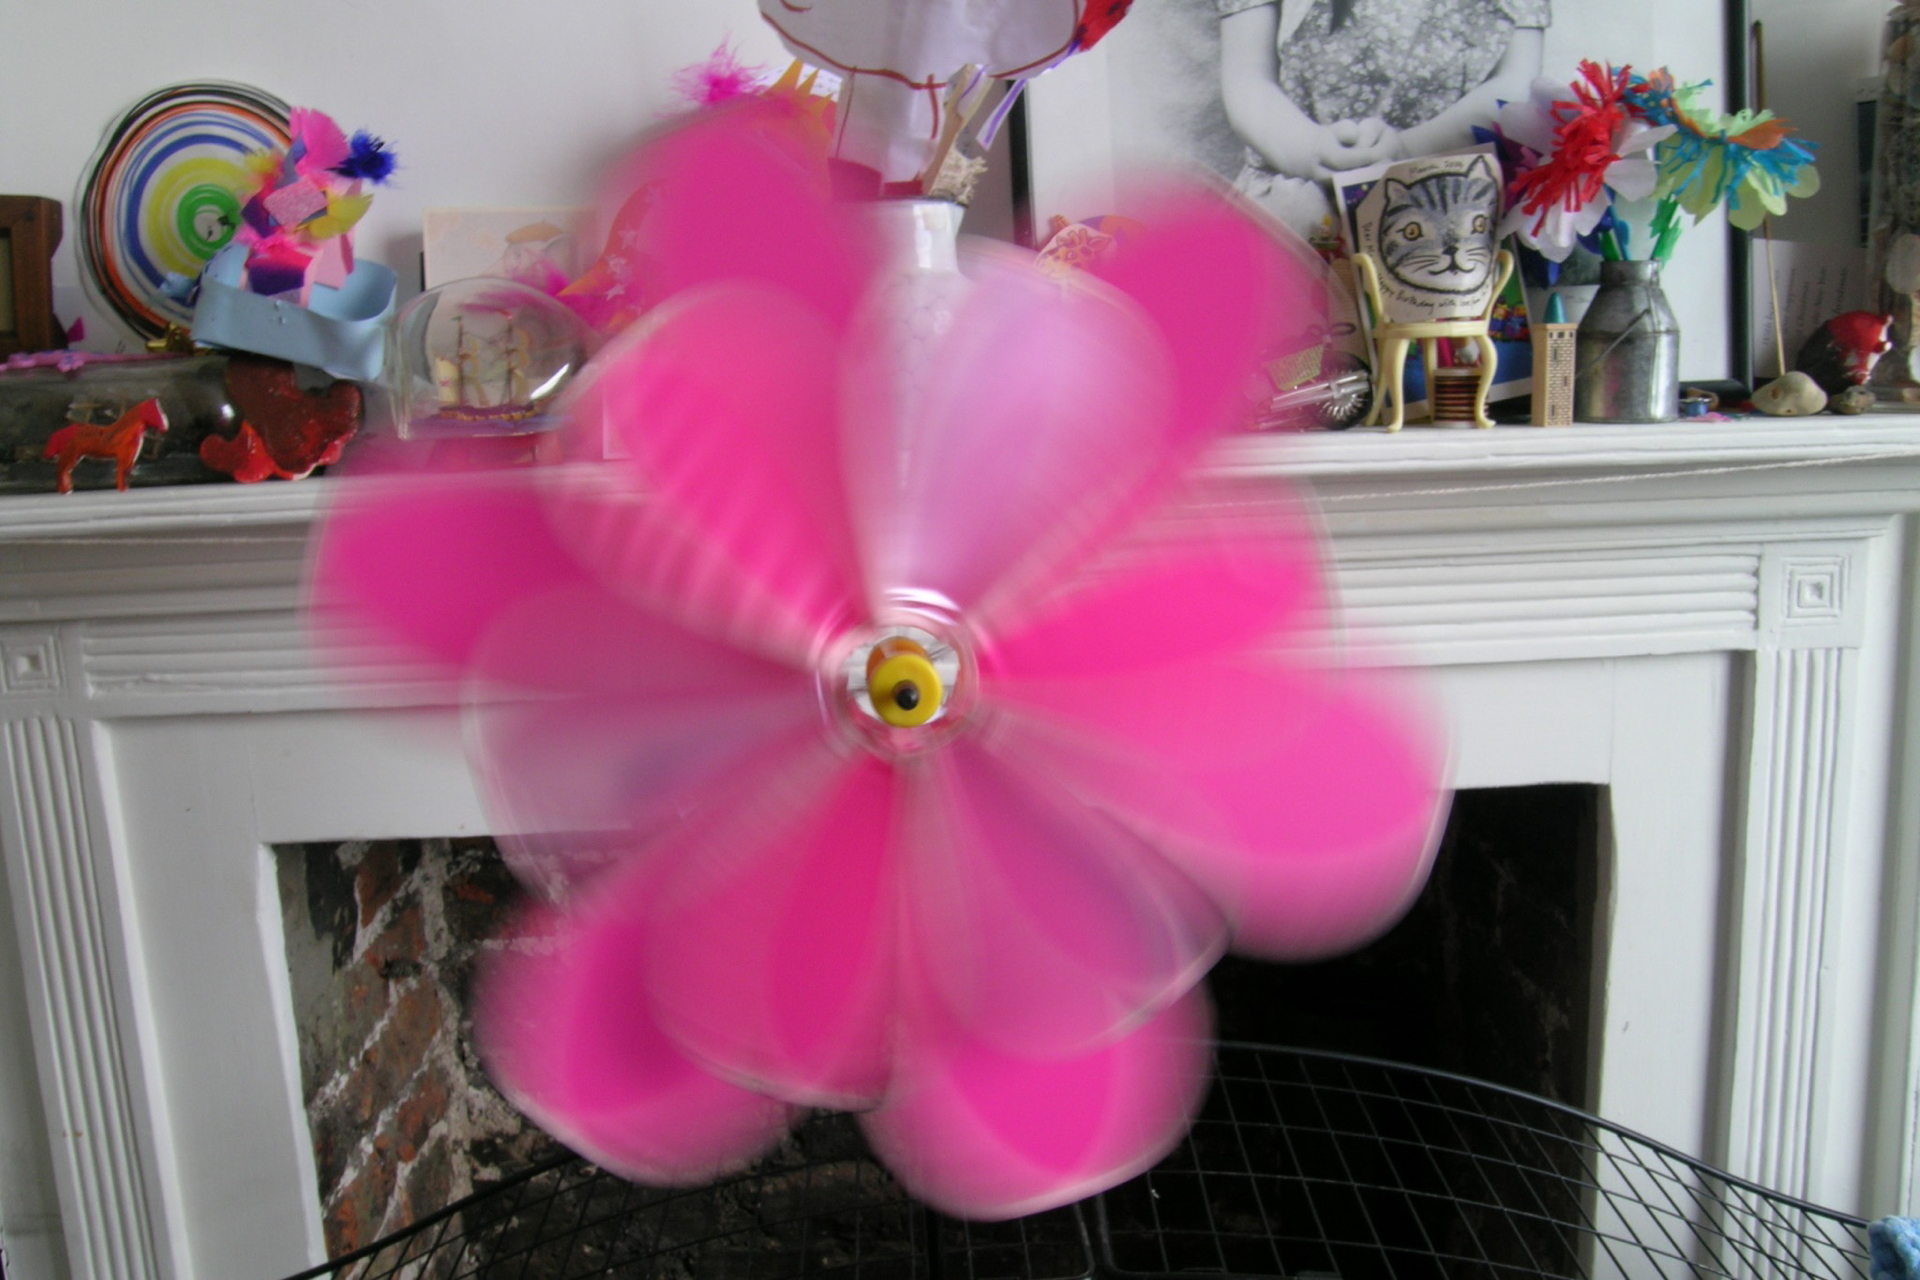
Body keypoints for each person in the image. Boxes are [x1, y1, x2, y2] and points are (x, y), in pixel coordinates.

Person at [1216, 0, 1548, 232]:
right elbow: (1248, 78)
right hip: (1299, 197)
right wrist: (1311, 151)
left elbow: (1517, 85)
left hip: (1445, 201)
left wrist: (1406, 151)